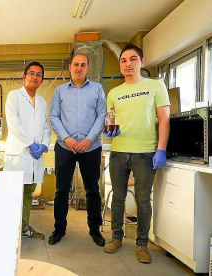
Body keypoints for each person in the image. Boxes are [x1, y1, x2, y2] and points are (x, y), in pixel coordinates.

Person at [103, 44, 170, 264]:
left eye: (133, 59)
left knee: (143, 199)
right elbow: (111, 119)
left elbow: (164, 119)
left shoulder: (156, 86)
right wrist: (110, 130)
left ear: (141, 61)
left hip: (145, 153)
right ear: (120, 64)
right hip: (119, 152)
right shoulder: (114, 92)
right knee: (119, 197)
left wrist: (161, 149)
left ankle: (142, 244)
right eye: (123, 60)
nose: (128, 64)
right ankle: (116, 238)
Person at [49, 54, 106, 247]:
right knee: (61, 191)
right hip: (65, 147)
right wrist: (67, 138)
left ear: (88, 68)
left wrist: (89, 140)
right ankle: (59, 229)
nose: (79, 68)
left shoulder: (98, 89)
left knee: (92, 190)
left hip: (91, 148)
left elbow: (101, 116)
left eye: (83, 65)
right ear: (70, 67)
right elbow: (54, 117)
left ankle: (94, 229)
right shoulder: (60, 91)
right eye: (76, 64)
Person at [4, 61, 51, 240]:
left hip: (34, 157)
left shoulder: (41, 102)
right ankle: (10, 229)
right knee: (14, 193)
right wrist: (30, 144)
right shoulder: (14, 96)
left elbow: (46, 127)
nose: (35, 77)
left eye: (39, 74)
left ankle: (23, 228)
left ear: (42, 79)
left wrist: (44, 145)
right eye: (31, 73)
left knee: (28, 194)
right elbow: (14, 125)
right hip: (19, 154)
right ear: (24, 77)